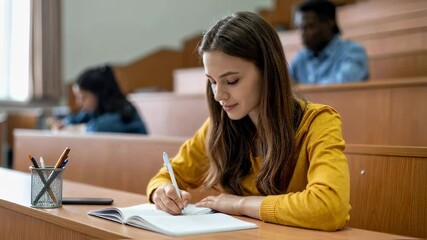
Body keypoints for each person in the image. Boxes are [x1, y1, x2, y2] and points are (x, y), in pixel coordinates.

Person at [147, 11, 350, 231]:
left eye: (231, 81)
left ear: (267, 71)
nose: (218, 95)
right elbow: (166, 176)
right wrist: (162, 191)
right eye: (212, 82)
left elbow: (330, 207)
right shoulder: (219, 127)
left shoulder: (318, 122)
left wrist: (240, 203)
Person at [290, 0, 369, 84]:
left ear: (330, 23)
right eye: (299, 27)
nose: (302, 33)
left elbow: (339, 88)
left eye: (309, 26)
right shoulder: (300, 58)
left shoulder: (353, 51)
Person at [52, 65, 148, 134]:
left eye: (83, 98)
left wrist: (75, 129)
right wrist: (64, 124)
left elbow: (95, 129)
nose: (79, 103)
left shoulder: (124, 115)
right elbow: (75, 119)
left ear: (99, 95)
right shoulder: (95, 112)